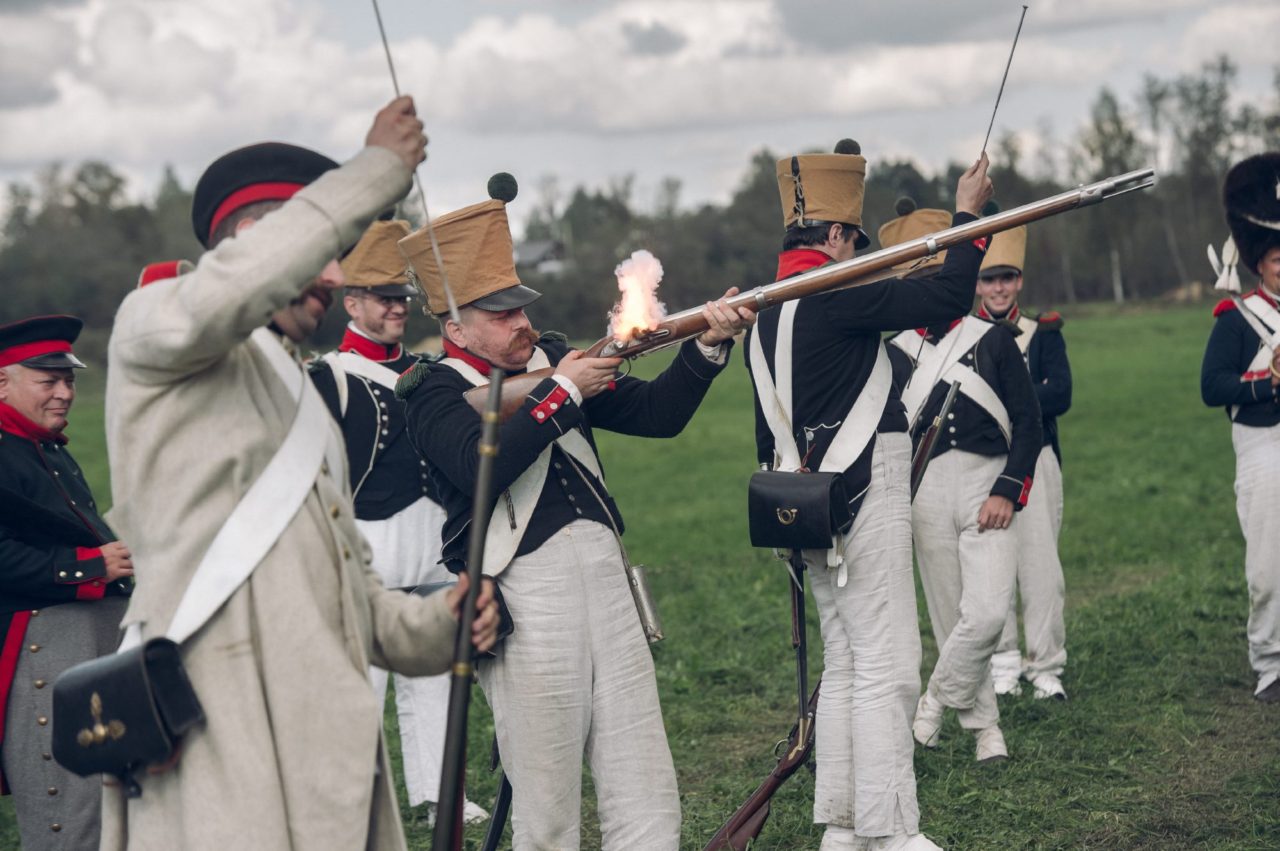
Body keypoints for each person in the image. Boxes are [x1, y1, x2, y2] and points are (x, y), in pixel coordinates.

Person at [101, 96, 499, 851]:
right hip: (221, 735)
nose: (336, 276)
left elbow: (353, 601)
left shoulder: (304, 393)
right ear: (257, 239)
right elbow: (223, 295)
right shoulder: (153, 322)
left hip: (325, 750)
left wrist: (439, 625)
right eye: (326, 250)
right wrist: (378, 168)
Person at [396, 174, 755, 850]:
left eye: (518, 307)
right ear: (454, 326)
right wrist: (562, 392)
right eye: (500, 313)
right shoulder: (431, 391)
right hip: (526, 600)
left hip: (608, 581)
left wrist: (707, 344)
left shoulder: (556, 358)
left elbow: (658, 415)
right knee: (548, 804)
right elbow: (481, 466)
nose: (520, 322)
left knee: (642, 780)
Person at [745, 143, 992, 850]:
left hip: (805, 504)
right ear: (832, 236)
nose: (858, 249)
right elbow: (948, 299)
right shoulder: (841, 289)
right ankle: (890, 829)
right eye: (854, 239)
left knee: (849, 658)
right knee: (883, 661)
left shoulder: (767, 314)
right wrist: (969, 214)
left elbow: (768, 428)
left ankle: (845, 822)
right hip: (863, 488)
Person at [308, 220, 487, 825]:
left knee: (434, 667)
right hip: (367, 540)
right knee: (363, 682)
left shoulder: (425, 369)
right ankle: (353, 798)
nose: (397, 309)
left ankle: (443, 794)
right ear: (352, 301)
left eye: (402, 299)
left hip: (431, 535)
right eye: (384, 298)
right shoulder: (325, 375)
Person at [882, 199, 1042, 765]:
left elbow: (1029, 424)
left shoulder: (992, 339)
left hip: (985, 483)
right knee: (950, 616)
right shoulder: (897, 351)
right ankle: (984, 730)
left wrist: (1007, 488)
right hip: (925, 490)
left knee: (989, 613)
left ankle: (932, 704)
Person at [0, 315, 132, 850]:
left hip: (87, 646)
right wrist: (88, 567)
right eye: (47, 380)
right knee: (67, 816)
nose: (64, 393)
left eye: (69, 380)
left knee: (110, 810)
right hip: (42, 650)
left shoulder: (45, 447)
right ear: (2, 382)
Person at [974, 222, 1073, 701]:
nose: (998, 287)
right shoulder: (967, 338)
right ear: (976, 284)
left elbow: (1061, 395)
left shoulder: (1043, 331)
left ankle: (1045, 662)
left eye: (1007, 277)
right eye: (989, 278)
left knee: (1040, 566)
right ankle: (1003, 660)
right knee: (993, 566)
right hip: (984, 464)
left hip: (1037, 458)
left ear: (1019, 282)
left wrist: (1010, 400)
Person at [1200, 151, 1280, 703]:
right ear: (1260, 262)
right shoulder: (1238, 318)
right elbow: (1213, 387)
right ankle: (1270, 660)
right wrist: (1267, 385)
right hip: (1263, 446)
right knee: (1269, 566)